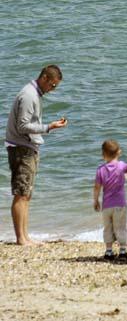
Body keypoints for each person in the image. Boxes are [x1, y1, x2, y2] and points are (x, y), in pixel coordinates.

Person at [5, 64, 67, 245]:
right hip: (21, 148)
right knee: (21, 193)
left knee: (26, 193)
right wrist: (49, 127)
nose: (53, 89)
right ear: (45, 78)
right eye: (53, 85)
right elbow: (22, 126)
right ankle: (21, 238)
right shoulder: (29, 95)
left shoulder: (34, 94)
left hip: (27, 147)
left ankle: (25, 236)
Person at [93, 139, 127, 261]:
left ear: (103, 155)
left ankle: (109, 251)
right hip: (119, 204)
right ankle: (123, 251)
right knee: (121, 227)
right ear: (119, 152)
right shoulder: (122, 165)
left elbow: (97, 187)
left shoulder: (100, 170)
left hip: (107, 206)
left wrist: (96, 201)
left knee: (108, 227)